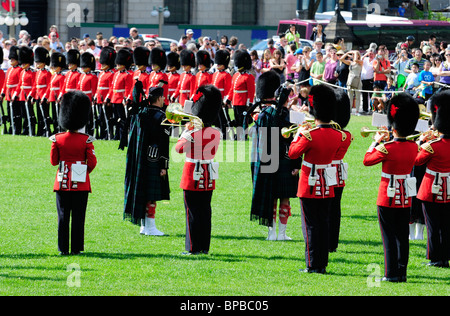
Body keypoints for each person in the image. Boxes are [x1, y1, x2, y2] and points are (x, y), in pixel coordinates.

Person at [288, 84, 345, 274]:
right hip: (327, 183)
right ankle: (323, 263)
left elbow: (293, 153)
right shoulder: (338, 135)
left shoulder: (309, 135)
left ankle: (313, 264)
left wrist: (298, 135)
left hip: (309, 183)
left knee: (310, 225)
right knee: (323, 223)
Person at [363, 93, 420, 282]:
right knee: (403, 235)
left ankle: (391, 273)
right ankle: (402, 272)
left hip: (387, 195)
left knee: (388, 236)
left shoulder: (386, 148)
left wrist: (376, 141)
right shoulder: (414, 147)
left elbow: (366, 160)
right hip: (405, 195)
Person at [250, 71, 301, 241]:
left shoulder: (263, 115)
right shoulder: (289, 115)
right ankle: (281, 233)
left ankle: (271, 234)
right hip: (286, 160)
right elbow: (295, 142)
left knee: (271, 198)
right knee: (285, 198)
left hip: (268, 161)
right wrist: (296, 164)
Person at [175, 85, 222, 255]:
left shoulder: (193, 133)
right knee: (205, 211)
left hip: (192, 172)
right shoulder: (216, 132)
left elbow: (178, 149)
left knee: (192, 212)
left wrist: (185, 133)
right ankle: (204, 247)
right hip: (208, 173)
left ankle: (193, 247)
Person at [50, 91, 97, 255]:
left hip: (62, 178)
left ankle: (63, 248)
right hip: (81, 180)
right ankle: (76, 248)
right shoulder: (86, 140)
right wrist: (82, 170)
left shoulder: (57, 138)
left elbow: (54, 161)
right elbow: (91, 163)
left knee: (62, 216)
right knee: (78, 217)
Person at [124, 83, 170, 236]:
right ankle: (150, 227)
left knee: (143, 192)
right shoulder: (162, 117)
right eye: (163, 97)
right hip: (155, 159)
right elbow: (164, 144)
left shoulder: (141, 113)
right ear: (158, 98)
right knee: (151, 195)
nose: (164, 99)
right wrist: (164, 165)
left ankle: (144, 226)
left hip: (140, 160)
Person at [415, 91, 450, 268]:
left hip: (431, 189)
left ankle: (436, 258)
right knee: (447, 224)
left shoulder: (432, 146)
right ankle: (446, 257)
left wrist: (421, 142)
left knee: (433, 225)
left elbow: (416, 160)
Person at [329, 89, 353, 252]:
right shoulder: (346, 134)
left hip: (326, 171)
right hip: (339, 172)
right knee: (335, 208)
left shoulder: (332, 134)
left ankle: (326, 241)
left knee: (326, 208)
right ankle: (333, 242)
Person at [226, 49, 255, 141]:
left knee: (244, 120)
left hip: (243, 101)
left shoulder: (249, 76)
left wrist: (249, 103)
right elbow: (232, 89)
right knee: (237, 119)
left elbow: (251, 91)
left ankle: (244, 135)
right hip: (235, 101)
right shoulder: (235, 75)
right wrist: (228, 99)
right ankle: (238, 135)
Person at [105, 48, 134, 141]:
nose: (117, 65)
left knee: (122, 119)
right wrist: (108, 97)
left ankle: (123, 136)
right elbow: (112, 88)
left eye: (119, 64)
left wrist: (126, 98)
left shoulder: (127, 75)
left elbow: (128, 88)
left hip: (121, 99)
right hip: (114, 98)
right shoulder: (116, 74)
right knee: (116, 118)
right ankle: (117, 135)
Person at [94, 47, 116, 140]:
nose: (101, 64)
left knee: (108, 118)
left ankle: (109, 134)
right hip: (100, 98)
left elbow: (112, 88)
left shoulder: (112, 73)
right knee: (101, 118)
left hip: (107, 99)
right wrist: (96, 96)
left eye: (104, 63)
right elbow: (98, 86)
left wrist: (108, 98)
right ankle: (102, 134)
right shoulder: (102, 73)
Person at [211, 49, 232, 139]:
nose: (218, 65)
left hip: (222, 100)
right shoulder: (215, 74)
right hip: (214, 99)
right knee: (215, 118)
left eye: (220, 63)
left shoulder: (226, 75)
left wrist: (226, 100)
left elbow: (228, 89)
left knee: (223, 118)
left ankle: (225, 134)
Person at [78, 52, 98, 135]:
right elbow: (79, 88)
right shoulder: (82, 76)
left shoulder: (92, 76)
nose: (83, 68)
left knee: (90, 117)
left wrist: (93, 99)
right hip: (82, 98)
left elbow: (94, 90)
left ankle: (90, 132)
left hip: (89, 99)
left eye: (85, 66)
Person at [18, 46, 36, 136]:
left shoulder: (32, 72)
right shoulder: (22, 72)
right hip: (22, 95)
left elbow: (34, 85)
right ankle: (25, 130)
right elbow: (20, 85)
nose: (22, 64)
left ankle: (31, 130)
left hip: (28, 95)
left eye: (24, 63)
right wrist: (16, 94)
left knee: (30, 114)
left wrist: (31, 95)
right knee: (23, 115)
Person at [33, 46, 52, 137]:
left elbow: (49, 86)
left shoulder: (47, 73)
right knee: (39, 115)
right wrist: (32, 95)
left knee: (45, 114)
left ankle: (46, 130)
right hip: (37, 95)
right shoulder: (38, 72)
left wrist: (45, 96)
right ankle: (39, 131)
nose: (37, 63)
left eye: (39, 62)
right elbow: (35, 85)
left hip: (44, 96)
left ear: (44, 63)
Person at [47, 52, 66, 133]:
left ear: (60, 67)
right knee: (54, 114)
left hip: (58, 97)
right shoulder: (53, 75)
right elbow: (49, 87)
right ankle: (55, 128)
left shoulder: (62, 76)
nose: (53, 67)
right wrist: (47, 96)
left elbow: (62, 88)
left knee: (59, 114)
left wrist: (60, 97)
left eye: (55, 66)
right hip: (52, 96)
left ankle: (60, 129)